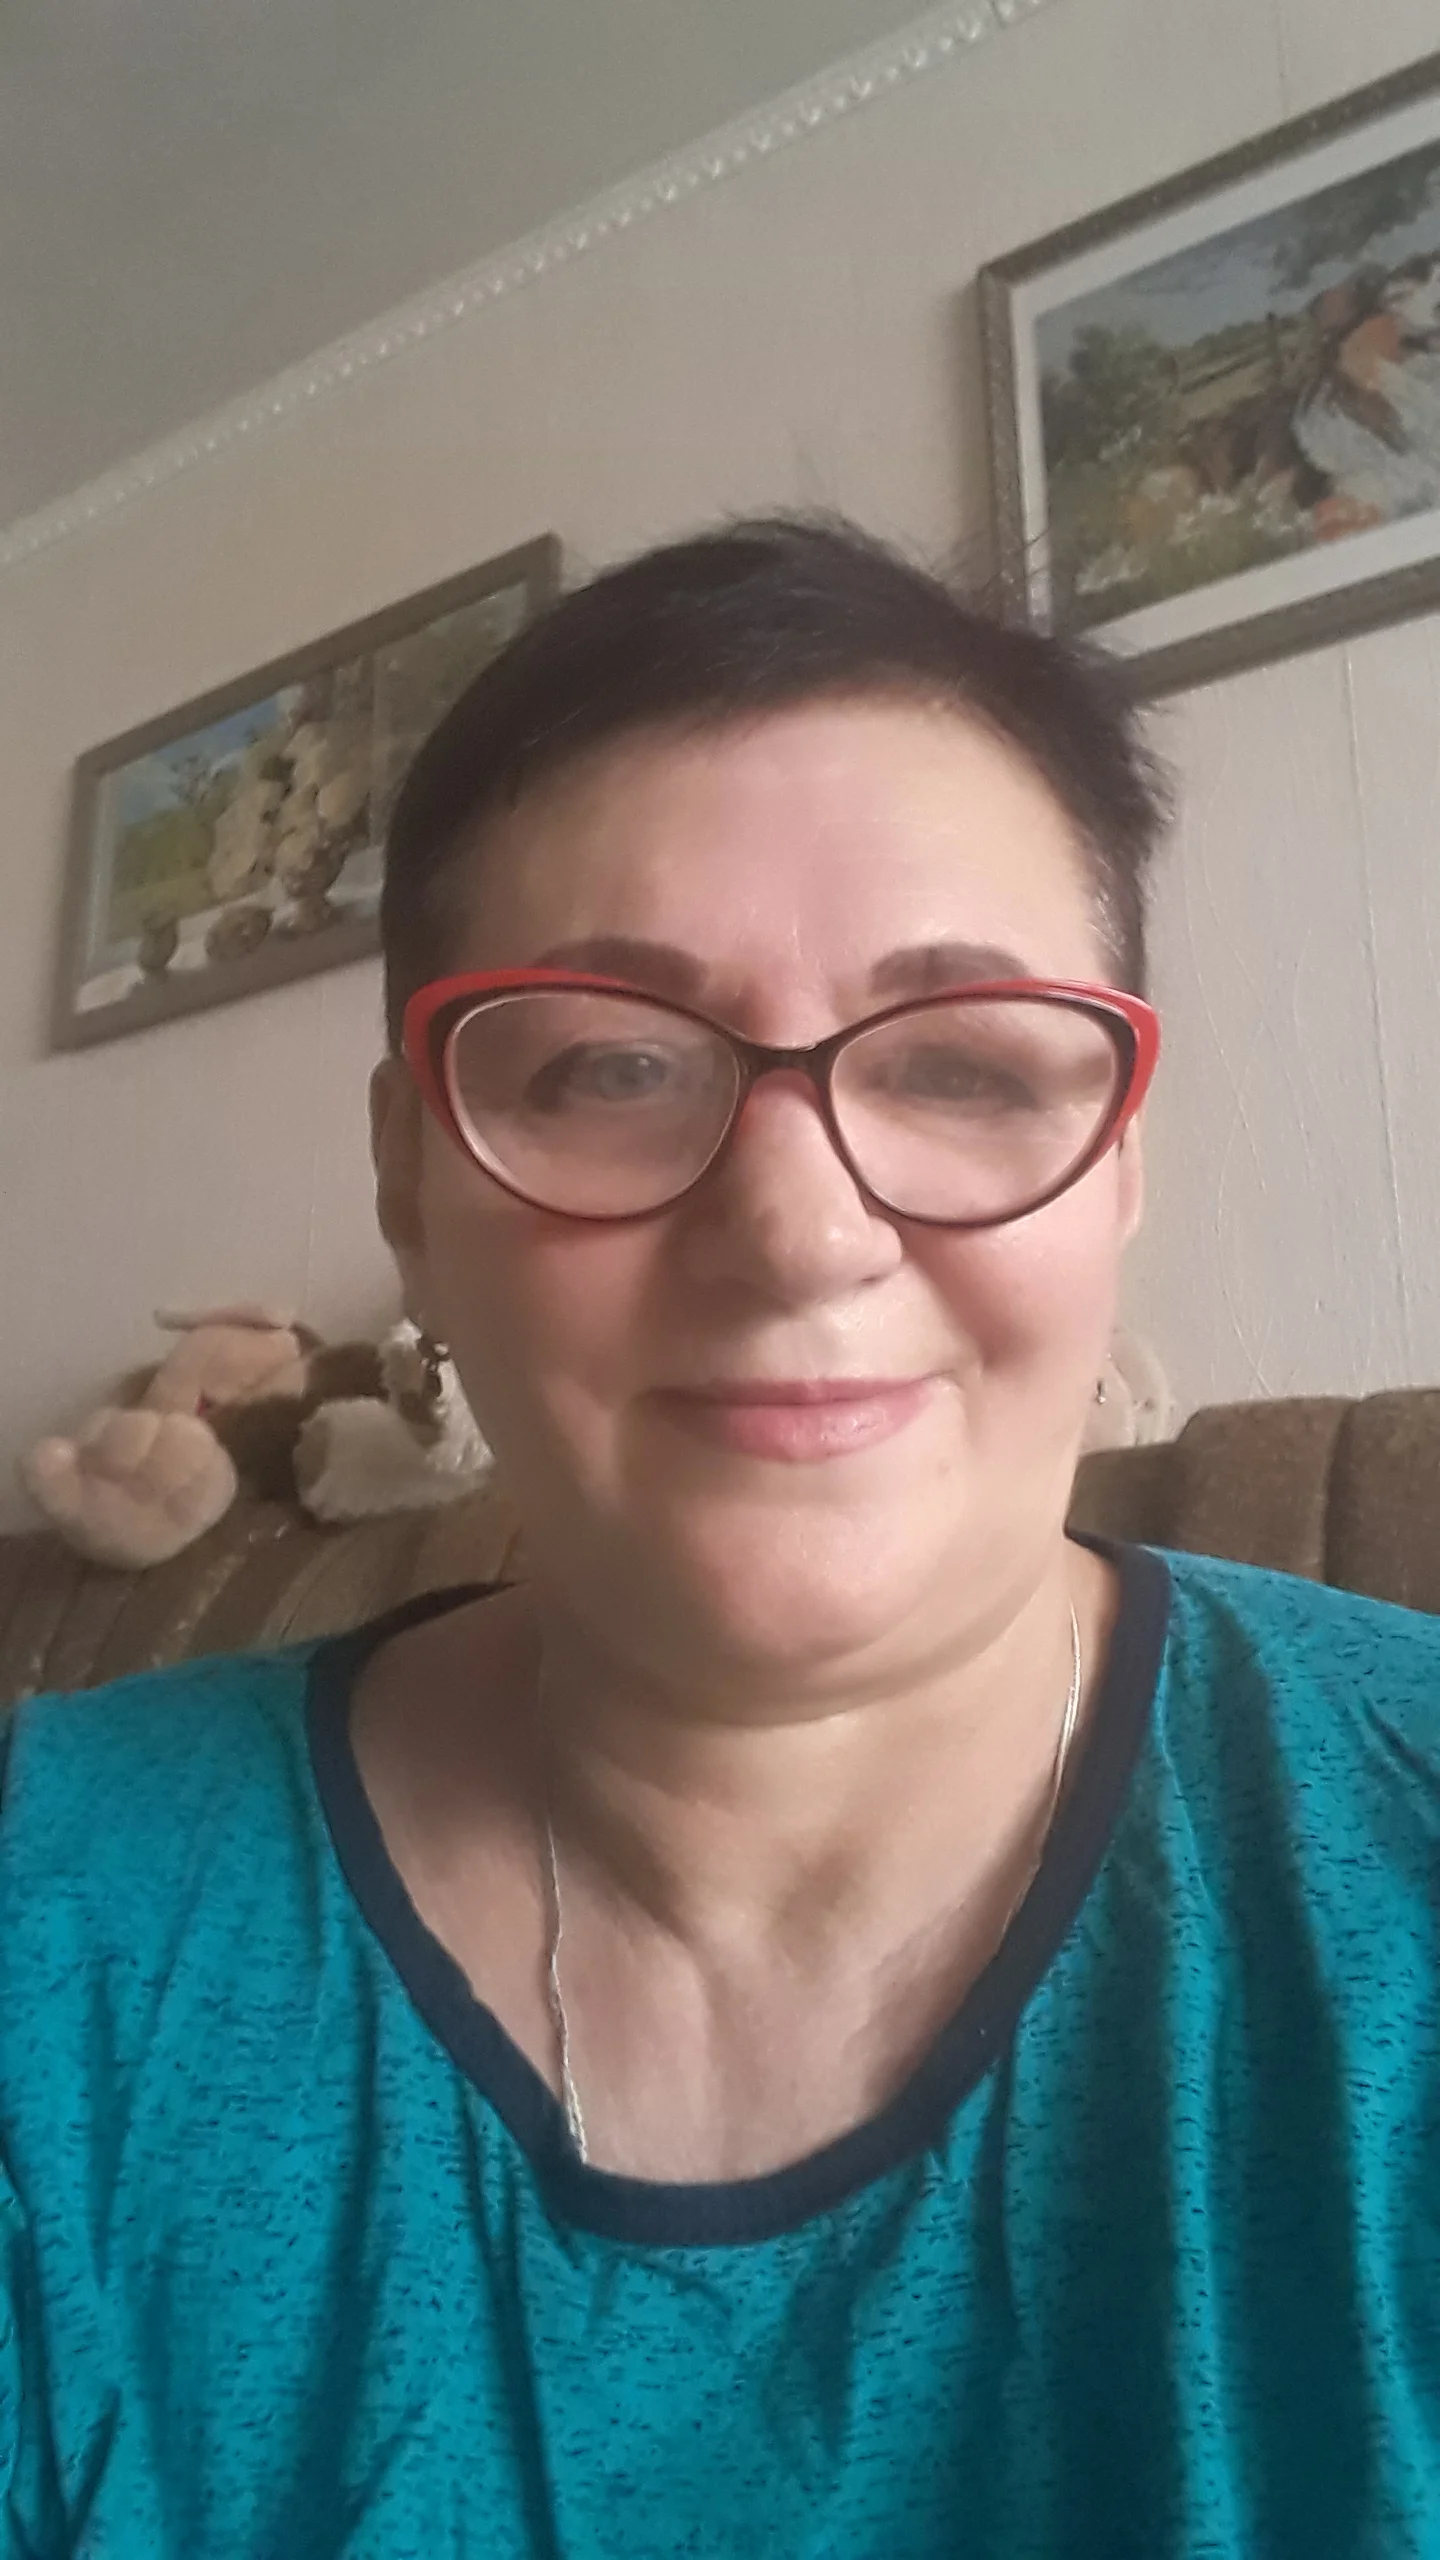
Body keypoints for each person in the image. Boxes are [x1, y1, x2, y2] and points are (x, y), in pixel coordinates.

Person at [2, 517, 1436, 2558]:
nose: (798, 1232)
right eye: (612, 1065)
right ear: (410, 1178)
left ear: (1119, 1160)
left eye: (964, 1062)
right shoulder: (47, 1921)